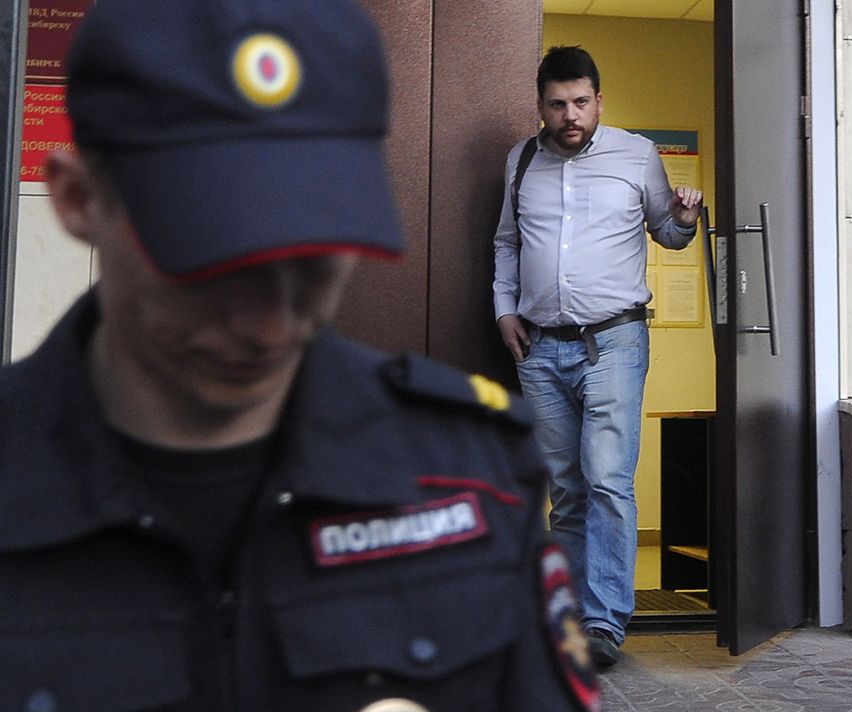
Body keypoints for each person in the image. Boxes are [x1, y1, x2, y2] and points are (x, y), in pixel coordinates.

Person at [0, 2, 599, 710]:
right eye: (212, 260)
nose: (268, 324)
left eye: (313, 259)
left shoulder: (472, 480)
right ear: (77, 200)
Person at [492, 45, 704, 667]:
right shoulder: (521, 160)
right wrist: (504, 308)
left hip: (614, 342)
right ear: (541, 106)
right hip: (538, 347)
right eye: (558, 104)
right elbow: (507, 242)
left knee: (608, 480)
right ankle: (568, 621)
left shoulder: (636, 154)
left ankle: (604, 622)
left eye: (581, 102)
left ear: (599, 101)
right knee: (567, 489)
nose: (571, 115)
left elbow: (668, 232)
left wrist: (684, 218)